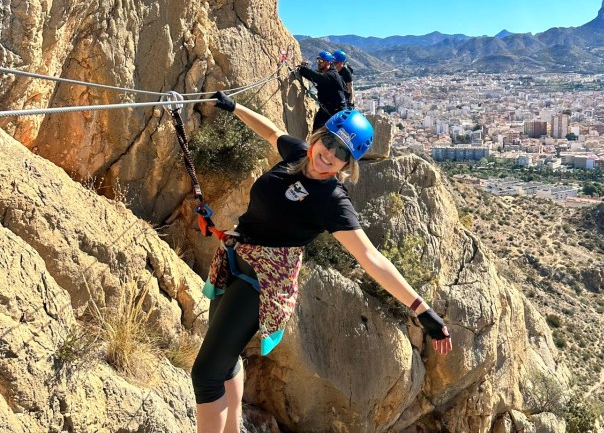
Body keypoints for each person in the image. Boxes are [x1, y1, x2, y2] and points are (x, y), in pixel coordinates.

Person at [191, 91, 453, 433]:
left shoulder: (332, 201)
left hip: (262, 283)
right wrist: (234, 107)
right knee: (223, 362)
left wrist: (422, 310)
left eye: (342, 152)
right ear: (317, 137)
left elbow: (371, 258)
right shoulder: (299, 154)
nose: (329, 154)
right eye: (328, 142)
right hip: (237, 257)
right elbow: (271, 132)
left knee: (205, 374)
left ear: (349, 164)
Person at [296, 50, 348, 132]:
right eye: (318, 60)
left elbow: (318, 77)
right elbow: (314, 76)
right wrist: (304, 70)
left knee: (331, 135)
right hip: (326, 108)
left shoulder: (332, 74)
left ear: (327, 62)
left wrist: (303, 70)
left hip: (337, 111)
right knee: (316, 131)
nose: (318, 63)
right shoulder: (326, 72)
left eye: (321, 61)